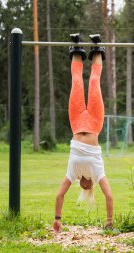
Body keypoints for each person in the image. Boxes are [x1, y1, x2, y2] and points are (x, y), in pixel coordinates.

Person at [53, 33, 113, 233]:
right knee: (94, 83)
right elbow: (109, 195)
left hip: (76, 121)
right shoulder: (97, 172)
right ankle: (97, 47)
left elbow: (60, 195)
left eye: (83, 188)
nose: (85, 185)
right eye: (89, 188)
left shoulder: (74, 173)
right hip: (95, 122)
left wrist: (57, 219)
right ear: (92, 185)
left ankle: (76, 45)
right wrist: (109, 220)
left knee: (77, 82)